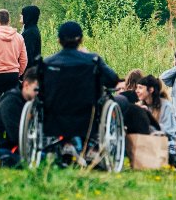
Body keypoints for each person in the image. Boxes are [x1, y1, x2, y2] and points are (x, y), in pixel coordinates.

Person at [40, 21, 119, 158]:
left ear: (59, 40)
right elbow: (112, 80)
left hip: (55, 116)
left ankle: (66, 144)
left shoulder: (48, 63)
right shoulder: (93, 60)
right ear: (81, 39)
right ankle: (90, 147)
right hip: (87, 116)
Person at [0, 69, 40, 165]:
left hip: (17, 147)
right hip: (2, 148)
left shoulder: (30, 101)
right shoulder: (11, 102)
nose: (38, 93)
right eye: (36, 89)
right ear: (26, 85)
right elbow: (16, 135)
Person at [0, 9, 28, 112]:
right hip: (12, 75)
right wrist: (18, 72)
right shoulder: (19, 37)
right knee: (12, 105)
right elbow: (24, 59)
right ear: (9, 21)